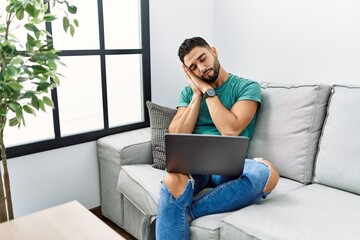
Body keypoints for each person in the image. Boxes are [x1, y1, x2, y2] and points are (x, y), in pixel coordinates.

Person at [155, 37, 279, 240]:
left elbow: (230, 129)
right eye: (193, 67)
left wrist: (208, 91)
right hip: (195, 166)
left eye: (203, 59)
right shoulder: (188, 93)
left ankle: (189, 212)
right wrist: (196, 96)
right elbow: (176, 133)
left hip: (228, 167)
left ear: (213, 51)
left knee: (266, 173)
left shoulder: (247, 87)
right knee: (171, 179)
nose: (201, 69)